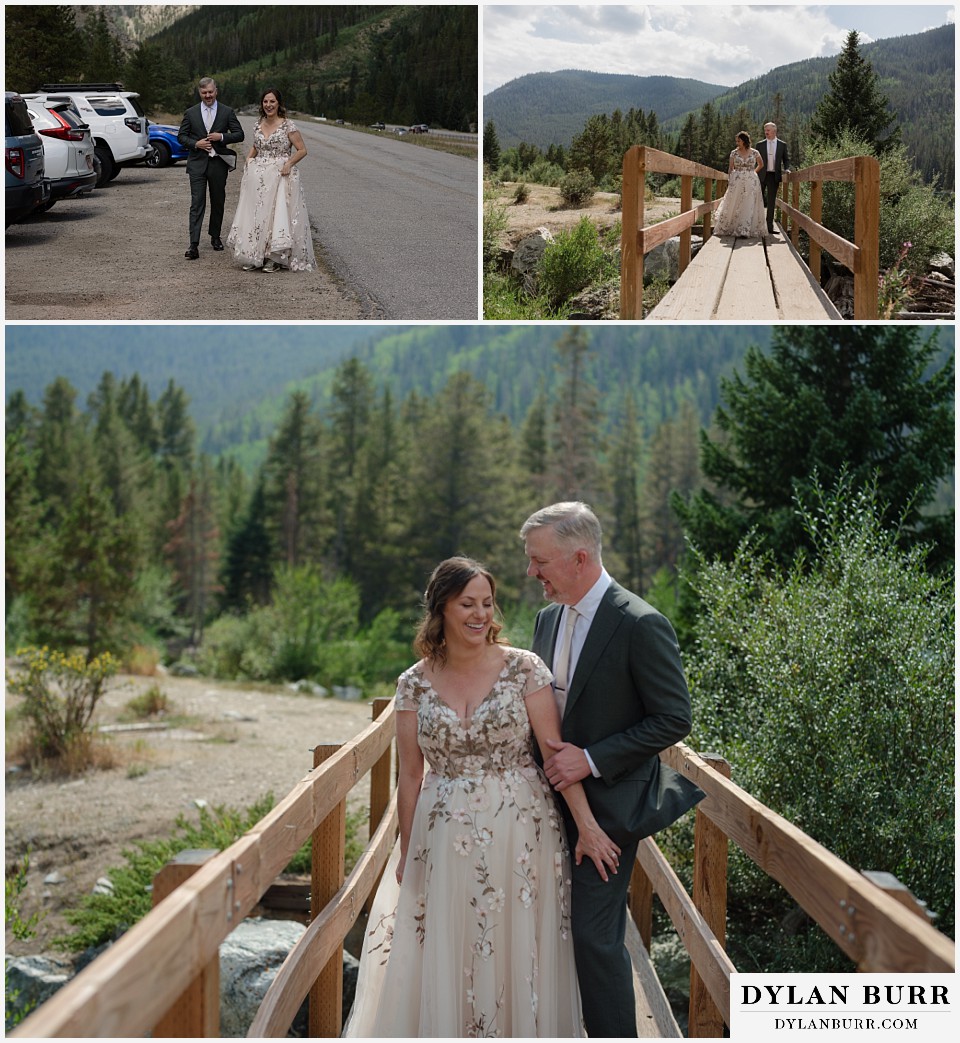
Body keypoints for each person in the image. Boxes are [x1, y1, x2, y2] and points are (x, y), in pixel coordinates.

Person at [343, 556, 621, 1037]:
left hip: (522, 831)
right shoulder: (412, 683)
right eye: (467, 604)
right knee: (450, 941)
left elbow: (556, 757)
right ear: (441, 608)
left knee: (516, 942)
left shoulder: (524, 669)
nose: (480, 614)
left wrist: (587, 826)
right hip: (442, 831)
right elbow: (410, 776)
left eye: (487, 603)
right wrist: (408, 851)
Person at [521, 502, 705, 1038]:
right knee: (537, 928)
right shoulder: (548, 618)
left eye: (540, 561)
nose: (531, 572)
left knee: (593, 938)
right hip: (541, 804)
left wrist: (591, 758)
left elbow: (673, 718)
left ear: (579, 558)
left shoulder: (640, 623)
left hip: (609, 810)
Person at [225, 88, 316, 273]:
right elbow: (256, 145)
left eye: (272, 101)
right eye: (265, 102)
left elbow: (302, 150)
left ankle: (275, 258)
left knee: (276, 215)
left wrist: (289, 163)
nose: (268, 105)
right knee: (257, 214)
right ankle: (255, 255)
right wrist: (248, 160)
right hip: (258, 177)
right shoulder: (258, 125)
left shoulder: (287, 125)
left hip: (280, 175)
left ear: (278, 104)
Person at [178, 77, 244, 260]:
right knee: (197, 203)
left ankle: (215, 237)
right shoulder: (191, 113)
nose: (208, 95)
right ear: (199, 93)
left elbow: (239, 134)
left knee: (218, 201)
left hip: (218, 164)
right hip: (197, 165)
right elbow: (181, 136)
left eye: (210, 92)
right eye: (204, 93)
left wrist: (221, 137)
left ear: (216, 91)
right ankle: (193, 244)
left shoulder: (227, 111)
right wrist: (196, 144)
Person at [713, 131, 767, 238]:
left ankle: (745, 229)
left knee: (749, 202)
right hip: (737, 179)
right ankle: (732, 226)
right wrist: (730, 178)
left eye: (739, 141)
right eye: (736, 141)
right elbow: (731, 167)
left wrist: (753, 173)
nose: (737, 143)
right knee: (735, 201)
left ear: (744, 141)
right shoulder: (734, 153)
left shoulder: (755, 152)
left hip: (751, 180)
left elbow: (761, 164)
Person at [757, 121, 790, 236]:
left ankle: (769, 227)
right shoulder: (759, 145)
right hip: (761, 175)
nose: (766, 132)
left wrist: (787, 169)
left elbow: (786, 159)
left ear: (774, 131)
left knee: (771, 202)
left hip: (774, 176)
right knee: (758, 200)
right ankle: (757, 226)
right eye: (765, 130)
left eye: (768, 130)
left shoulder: (782, 145)